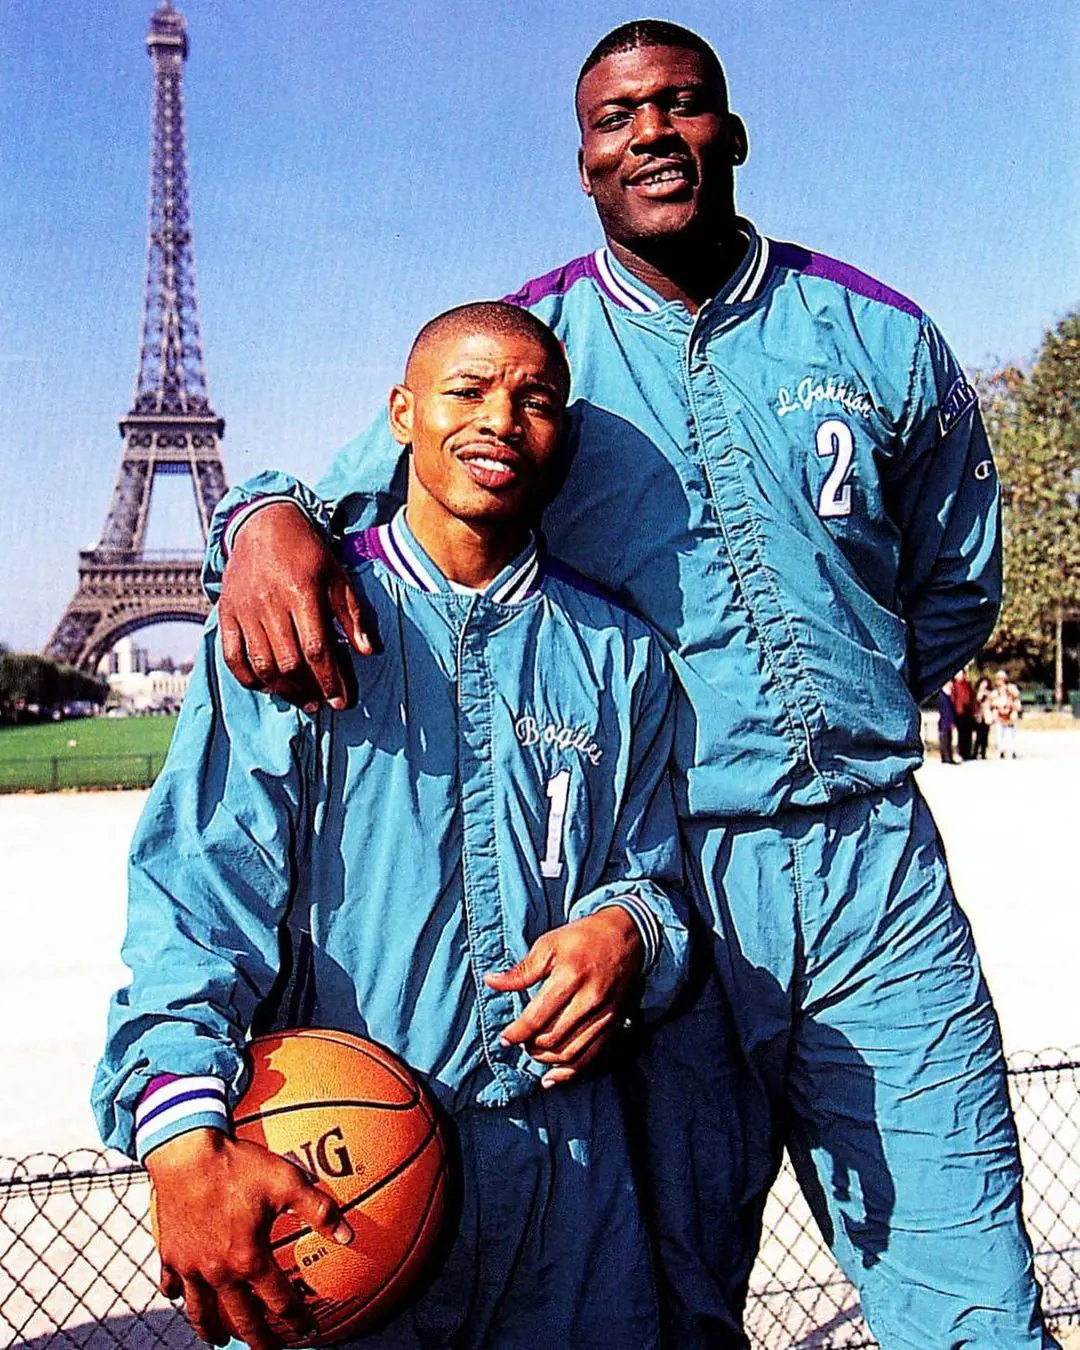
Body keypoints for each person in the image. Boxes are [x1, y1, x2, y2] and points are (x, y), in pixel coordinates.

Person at [200, 22, 1054, 1348]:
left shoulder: (879, 335)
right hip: (657, 902)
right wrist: (253, 516)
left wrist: (839, 711)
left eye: (683, 104)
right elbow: (338, 500)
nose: (652, 132)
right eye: (617, 118)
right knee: (666, 1305)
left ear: (733, 130)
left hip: (870, 870)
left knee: (977, 1300)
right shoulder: (533, 357)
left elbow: (957, 582)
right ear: (584, 164)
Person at [93, 303, 691, 1350]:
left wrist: (630, 932)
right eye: (467, 392)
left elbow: (650, 875)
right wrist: (182, 1140)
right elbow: (201, 890)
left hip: (571, 1190)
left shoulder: (622, 654)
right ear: (401, 416)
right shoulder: (297, 615)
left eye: (537, 400)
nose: (501, 419)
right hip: (343, 1174)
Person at [993, 668, 1023, 758]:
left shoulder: (1011, 688)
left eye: (1002, 678)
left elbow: (1017, 697)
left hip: (1010, 713)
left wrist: (1015, 708)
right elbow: (993, 702)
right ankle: (1001, 751)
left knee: (1010, 733)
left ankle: (1012, 750)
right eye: (999, 678)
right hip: (1000, 713)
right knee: (999, 733)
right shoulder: (996, 691)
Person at [952, 666, 976, 759]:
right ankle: (962, 752)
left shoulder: (968, 685)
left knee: (968, 734)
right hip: (960, 713)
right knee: (961, 734)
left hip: (968, 713)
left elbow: (972, 698)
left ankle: (968, 752)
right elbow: (954, 699)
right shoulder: (955, 686)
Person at [937, 679, 959, 764]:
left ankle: (948, 757)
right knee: (945, 740)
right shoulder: (942, 695)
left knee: (948, 739)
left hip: (947, 721)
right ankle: (946, 758)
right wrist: (950, 722)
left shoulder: (949, 695)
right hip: (944, 722)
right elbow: (946, 711)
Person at [974, 674, 994, 758]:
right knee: (978, 736)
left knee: (985, 735)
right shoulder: (977, 692)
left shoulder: (990, 693)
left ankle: (983, 752)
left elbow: (992, 701)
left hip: (986, 716)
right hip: (979, 716)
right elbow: (977, 700)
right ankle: (975, 752)